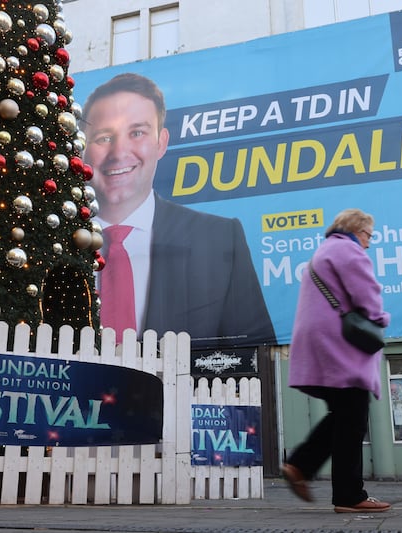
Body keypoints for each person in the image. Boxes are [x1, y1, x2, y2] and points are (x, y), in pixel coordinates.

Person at [81, 72, 276, 348]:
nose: (119, 152)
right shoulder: (52, 242)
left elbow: (254, 353)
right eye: (103, 138)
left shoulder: (220, 238)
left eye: (137, 132)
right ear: (82, 149)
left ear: (161, 142)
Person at [281, 208, 391, 513]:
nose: (369, 243)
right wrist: (382, 318)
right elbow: (366, 295)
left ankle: (302, 466)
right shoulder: (348, 250)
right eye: (369, 235)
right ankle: (347, 494)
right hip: (340, 344)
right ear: (357, 230)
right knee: (352, 416)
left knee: (345, 415)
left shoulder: (324, 251)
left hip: (320, 343)